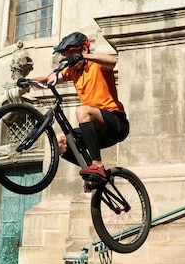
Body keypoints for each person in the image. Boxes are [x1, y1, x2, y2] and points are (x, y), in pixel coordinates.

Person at [34, 32, 129, 183]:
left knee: (82, 110)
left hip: (116, 123)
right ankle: (95, 176)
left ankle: (97, 164)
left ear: (84, 50)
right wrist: (28, 81)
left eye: (72, 55)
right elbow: (48, 80)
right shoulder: (72, 71)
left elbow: (112, 61)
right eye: (67, 57)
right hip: (97, 132)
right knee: (59, 141)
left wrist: (84, 57)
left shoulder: (97, 65)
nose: (70, 60)